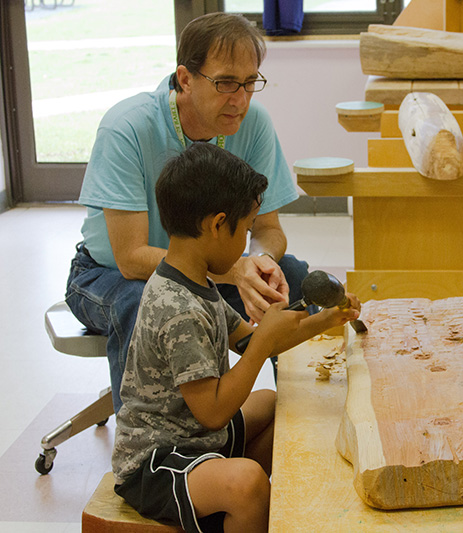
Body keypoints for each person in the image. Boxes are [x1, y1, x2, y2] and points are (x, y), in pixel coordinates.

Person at [111, 143, 360, 532]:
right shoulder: (179, 308)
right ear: (216, 224)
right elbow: (213, 410)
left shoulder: (196, 282)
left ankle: (241, 506)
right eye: (245, 230)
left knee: (274, 405)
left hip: (195, 437)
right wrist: (262, 345)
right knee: (248, 485)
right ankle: (242, 506)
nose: (247, 241)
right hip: (156, 460)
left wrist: (327, 318)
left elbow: (250, 340)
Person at [65, 12, 307, 413]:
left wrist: (259, 262)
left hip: (210, 268)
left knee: (292, 276)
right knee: (145, 301)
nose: (241, 99)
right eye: (226, 82)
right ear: (185, 78)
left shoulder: (253, 122)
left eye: (250, 83)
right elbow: (130, 257)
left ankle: (305, 418)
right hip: (108, 276)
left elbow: (269, 229)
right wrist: (234, 272)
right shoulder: (127, 128)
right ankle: (149, 455)